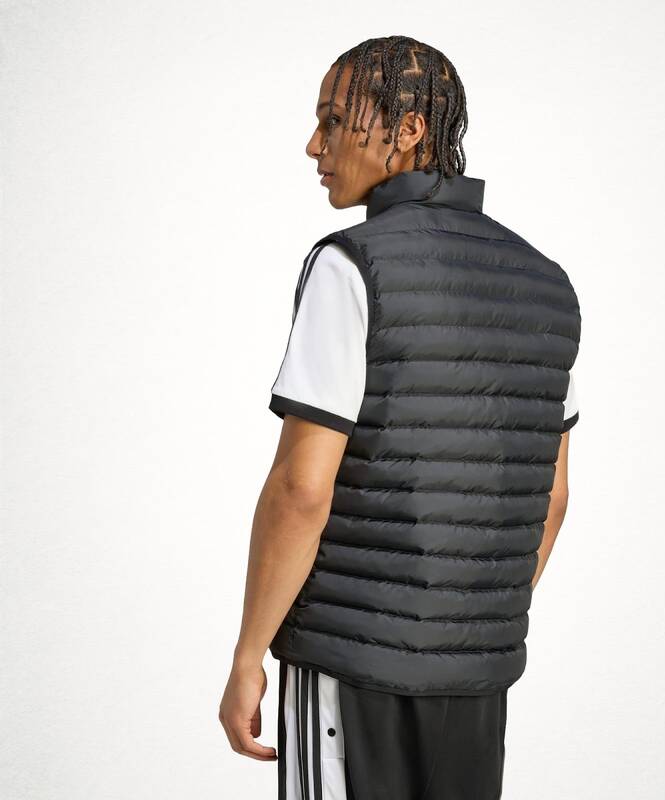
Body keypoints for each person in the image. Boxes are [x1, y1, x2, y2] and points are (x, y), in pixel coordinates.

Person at [219, 35, 581, 800]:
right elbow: (551, 497)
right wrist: (464, 624)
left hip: (345, 662)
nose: (314, 145)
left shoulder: (351, 265)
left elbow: (301, 490)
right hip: (477, 677)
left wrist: (249, 655)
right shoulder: (549, 286)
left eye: (332, 119)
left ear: (408, 129)